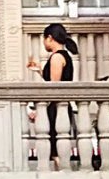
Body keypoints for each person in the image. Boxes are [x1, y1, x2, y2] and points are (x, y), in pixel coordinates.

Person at [26, 21, 79, 167]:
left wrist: (38, 111)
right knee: (56, 147)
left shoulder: (56, 57)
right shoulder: (64, 56)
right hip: (59, 106)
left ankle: (62, 175)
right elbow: (55, 81)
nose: (44, 43)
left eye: (44, 39)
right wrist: (39, 71)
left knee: (55, 149)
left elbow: (53, 88)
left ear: (49, 38)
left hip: (55, 109)